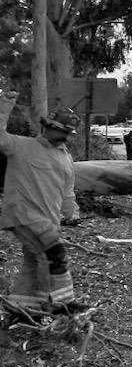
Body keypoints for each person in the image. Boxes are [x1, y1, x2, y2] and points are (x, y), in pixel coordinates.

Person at [0, 89, 82, 310]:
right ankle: (65, 303)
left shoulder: (65, 158)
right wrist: (4, 106)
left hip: (47, 219)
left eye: (66, 132)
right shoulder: (21, 146)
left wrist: (71, 211)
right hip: (24, 216)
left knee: (33, 261)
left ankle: (22, 307)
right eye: (59, 130)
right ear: (47, 126)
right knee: (54, 254)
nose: (63, 135)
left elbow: (67, 191)